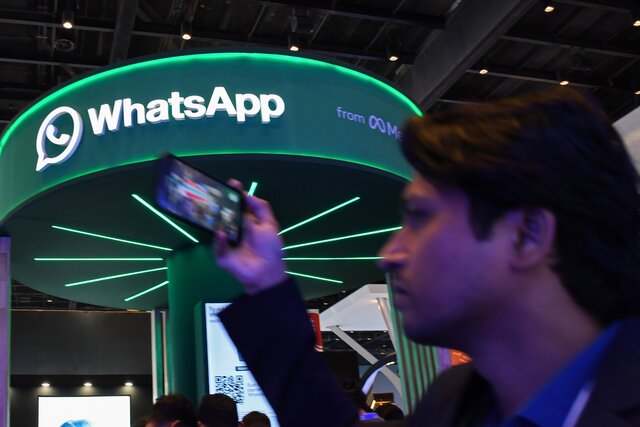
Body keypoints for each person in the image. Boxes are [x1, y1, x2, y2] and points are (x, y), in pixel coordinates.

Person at [214, 88, 640, 426]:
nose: (388, 255)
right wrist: (265, 281)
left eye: (418, 217)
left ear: (527, 234)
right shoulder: (456, 398)